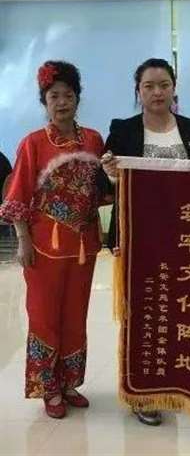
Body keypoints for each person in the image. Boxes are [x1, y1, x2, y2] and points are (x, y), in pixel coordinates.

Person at [102, 58, 190, 426]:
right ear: (138, 91)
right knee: (141, 313)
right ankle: (142, 393)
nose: (157, 92)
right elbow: (106, 183)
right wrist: (111, 174)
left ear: (174, 88)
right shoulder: (122, 129)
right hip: (138, 238)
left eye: (164, 84)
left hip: (186, 238)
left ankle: (172, 382)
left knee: (179, 311)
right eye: (149, 86)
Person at [0, 61, 107, 419]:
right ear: (44, 102)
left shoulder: (93, 140)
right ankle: (49, 388)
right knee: (44, 316)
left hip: (84, 245)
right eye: (54, 96)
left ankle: (70, 383)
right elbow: (17, 195)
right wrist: (23, 240)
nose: (62, 102)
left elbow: (101, 190)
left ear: (78, 98)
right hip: (43, 246)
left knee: (76, 315)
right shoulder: (32, 143)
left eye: (68, 95)